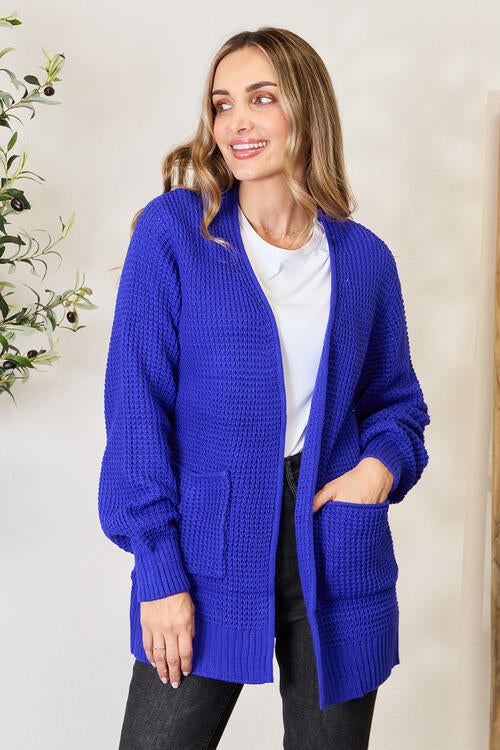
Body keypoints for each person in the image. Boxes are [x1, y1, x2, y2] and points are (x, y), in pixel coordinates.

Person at [98, 26, 431, 750]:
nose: (236, 122)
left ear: (305, 109)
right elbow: (136, 409)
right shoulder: (176, 233)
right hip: (205, 545)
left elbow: (397, 405)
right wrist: (158, 570)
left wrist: (376, 472)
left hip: (334, 543)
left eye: (261, 98)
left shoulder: (364, 260)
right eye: (222, 104)